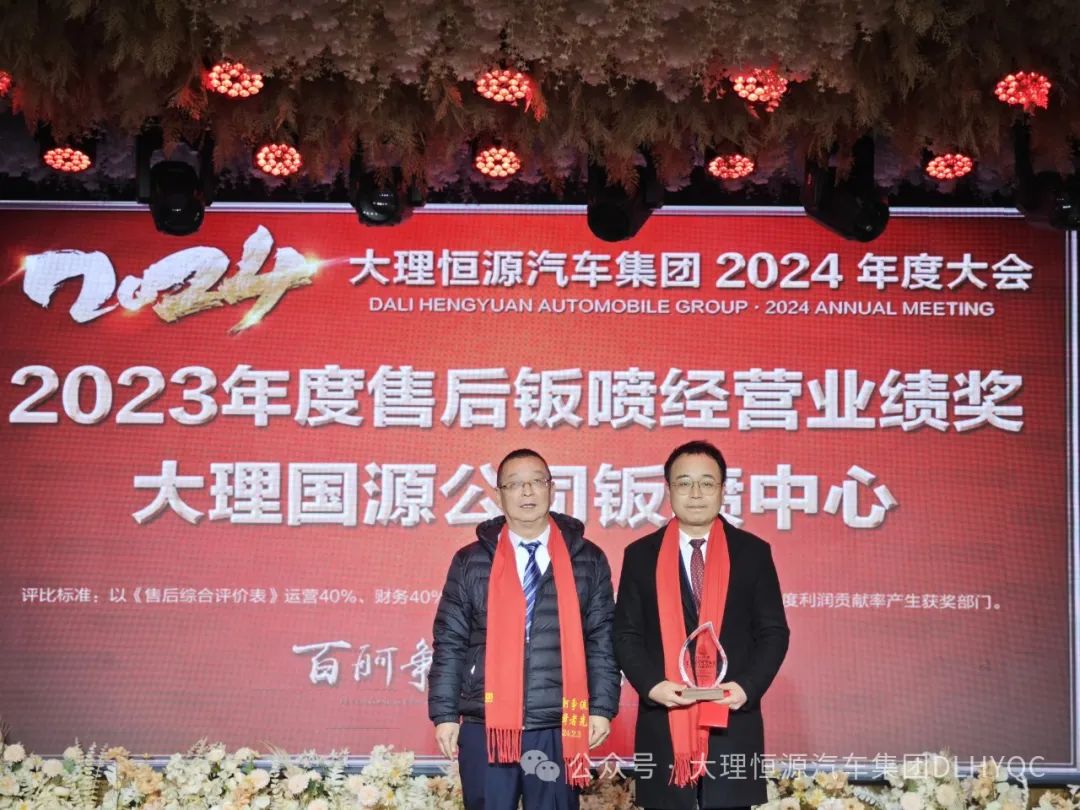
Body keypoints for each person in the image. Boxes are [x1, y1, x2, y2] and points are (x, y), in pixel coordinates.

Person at [428, 448, 620, 810]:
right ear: (499, 494)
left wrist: (601, 707)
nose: (527, 491)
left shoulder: (587, 558)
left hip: (558, 725)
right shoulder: (470, 561)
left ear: (552, 488)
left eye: (536, 481)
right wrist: (445, 714)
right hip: (486, 724)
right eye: (515, 484)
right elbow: (450, 641)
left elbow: (601, 639)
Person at [614, 440, 789, 810]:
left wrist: (746, 687)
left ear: (723, 490)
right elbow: (626, 634)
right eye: (684, 483)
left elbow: (773, 632)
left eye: (707, 483)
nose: (696, 494)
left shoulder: (753, 552)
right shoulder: (640, 555)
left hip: (732, 718)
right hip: (665, 716)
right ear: (668, 489)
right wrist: (652, 685)